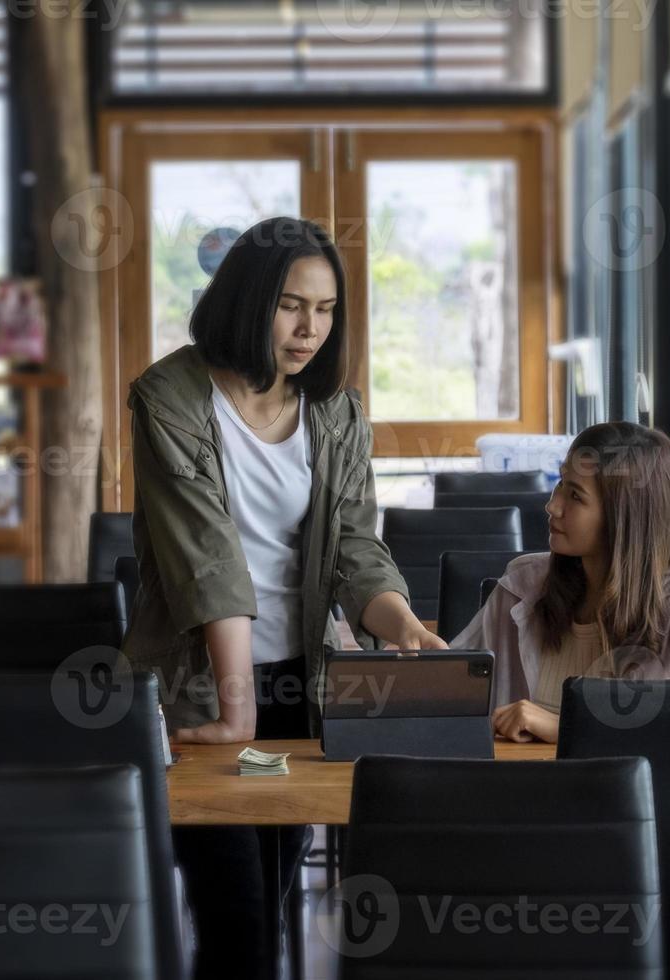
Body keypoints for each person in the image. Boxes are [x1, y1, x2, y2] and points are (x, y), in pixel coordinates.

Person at [121, 216, 444, 979]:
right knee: (236, 916)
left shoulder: (335, 409)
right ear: (247, 299)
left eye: (327, 309)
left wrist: (400, 626)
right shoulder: (169, 396)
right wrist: (236, 710)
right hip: (206, 685)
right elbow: (208, 558)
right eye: (292, 305)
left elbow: (356, 548)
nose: (310, 329)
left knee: (273, 885)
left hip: (301, 685)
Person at [451, 421, 670, 742]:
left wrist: (567, 727)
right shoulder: (522, 584)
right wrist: (411, 659)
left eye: (575, 495)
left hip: (629, 793)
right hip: (516, 787)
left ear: (623, 516)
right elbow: (451, 682)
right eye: (560, 484)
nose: (552, 506)